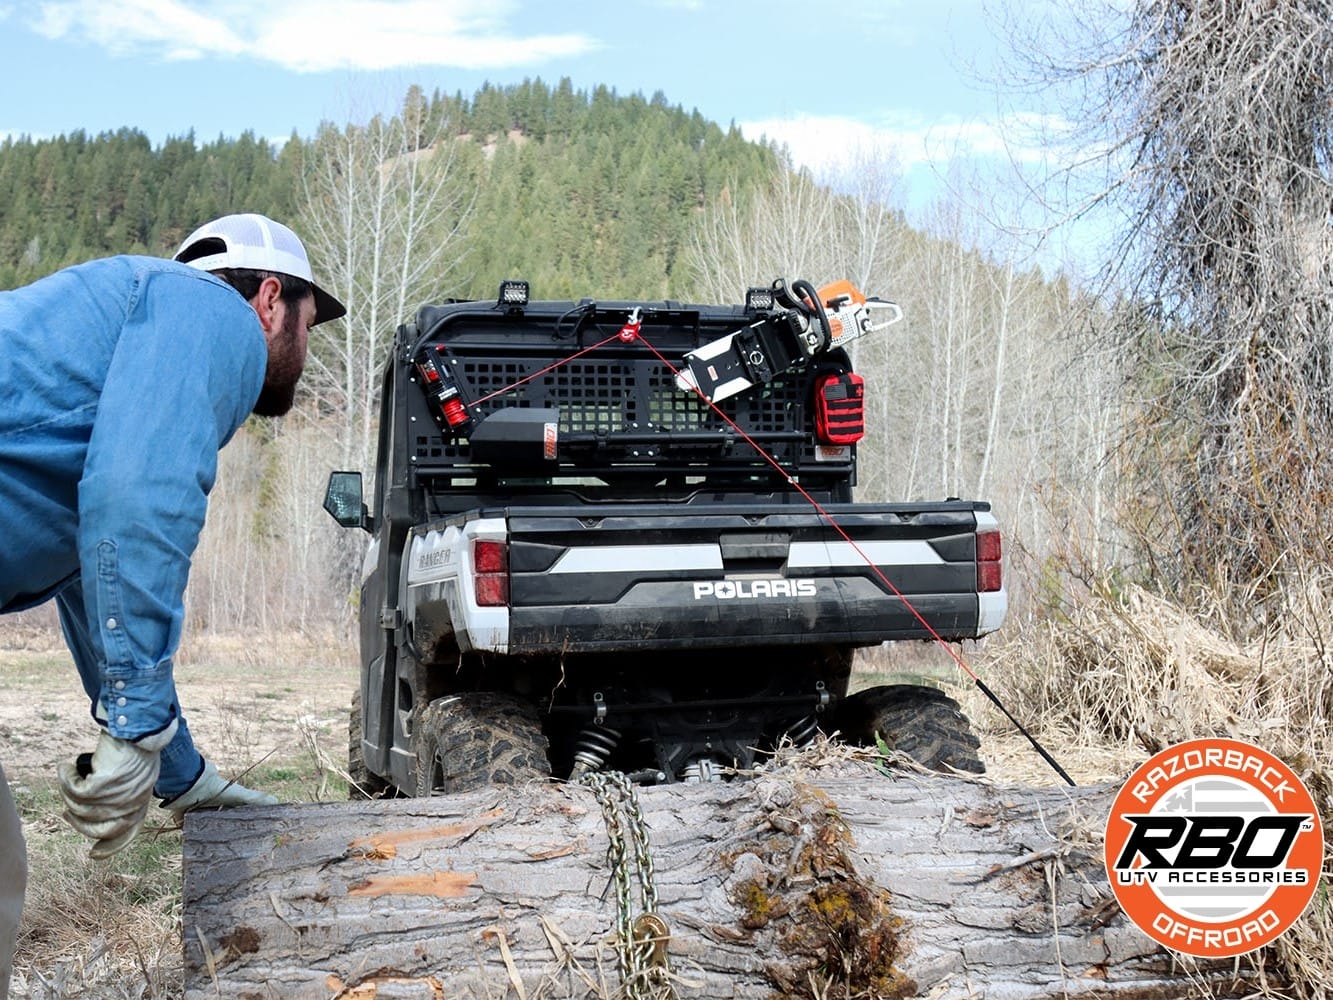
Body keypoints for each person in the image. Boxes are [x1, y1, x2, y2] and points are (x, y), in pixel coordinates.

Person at [0, 213, 345, 997]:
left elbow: (98, 574)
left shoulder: (123, 336)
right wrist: (133, 722)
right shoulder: (207, 312)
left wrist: (178, 773)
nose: (305, 341)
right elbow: (137, 500)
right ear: (267, 299)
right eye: (308, 319)